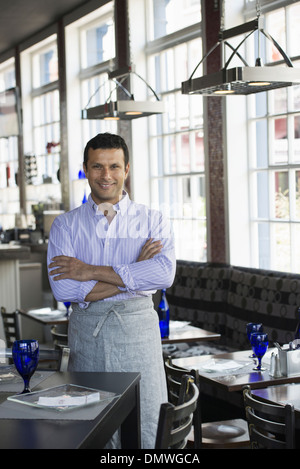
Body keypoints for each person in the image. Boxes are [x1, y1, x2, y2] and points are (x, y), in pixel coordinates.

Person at [47, 132, 176, 449]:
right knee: (92, 425)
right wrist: (133, 272)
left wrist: (88, 271)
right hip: (88, 336)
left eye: (114, 166)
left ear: (127, 169)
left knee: (145, 422)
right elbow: (64, 287)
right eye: (97, 167)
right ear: (85, 169)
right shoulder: (65, 225)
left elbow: (163, 274)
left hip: (138, 336)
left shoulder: (152, 221)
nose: (106, 176)